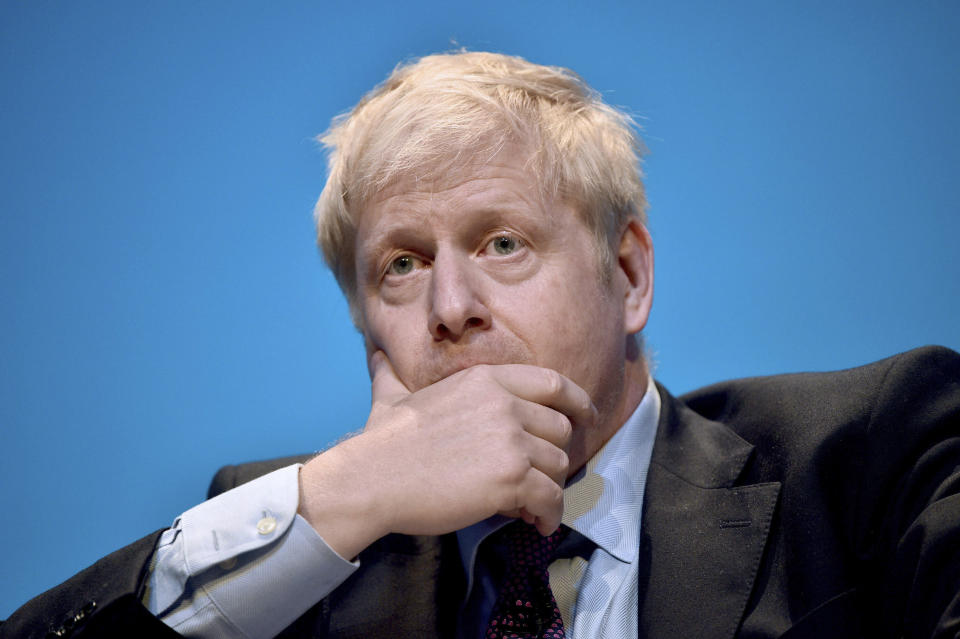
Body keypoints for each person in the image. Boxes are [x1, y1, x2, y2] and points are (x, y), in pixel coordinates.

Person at [3, 51, 959, 639]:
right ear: (365, 325)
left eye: (503, 242)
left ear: (627, 276)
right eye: (402, 266)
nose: (451, 306)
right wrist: (347, 492)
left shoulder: (870, 458)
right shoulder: (300, 544)